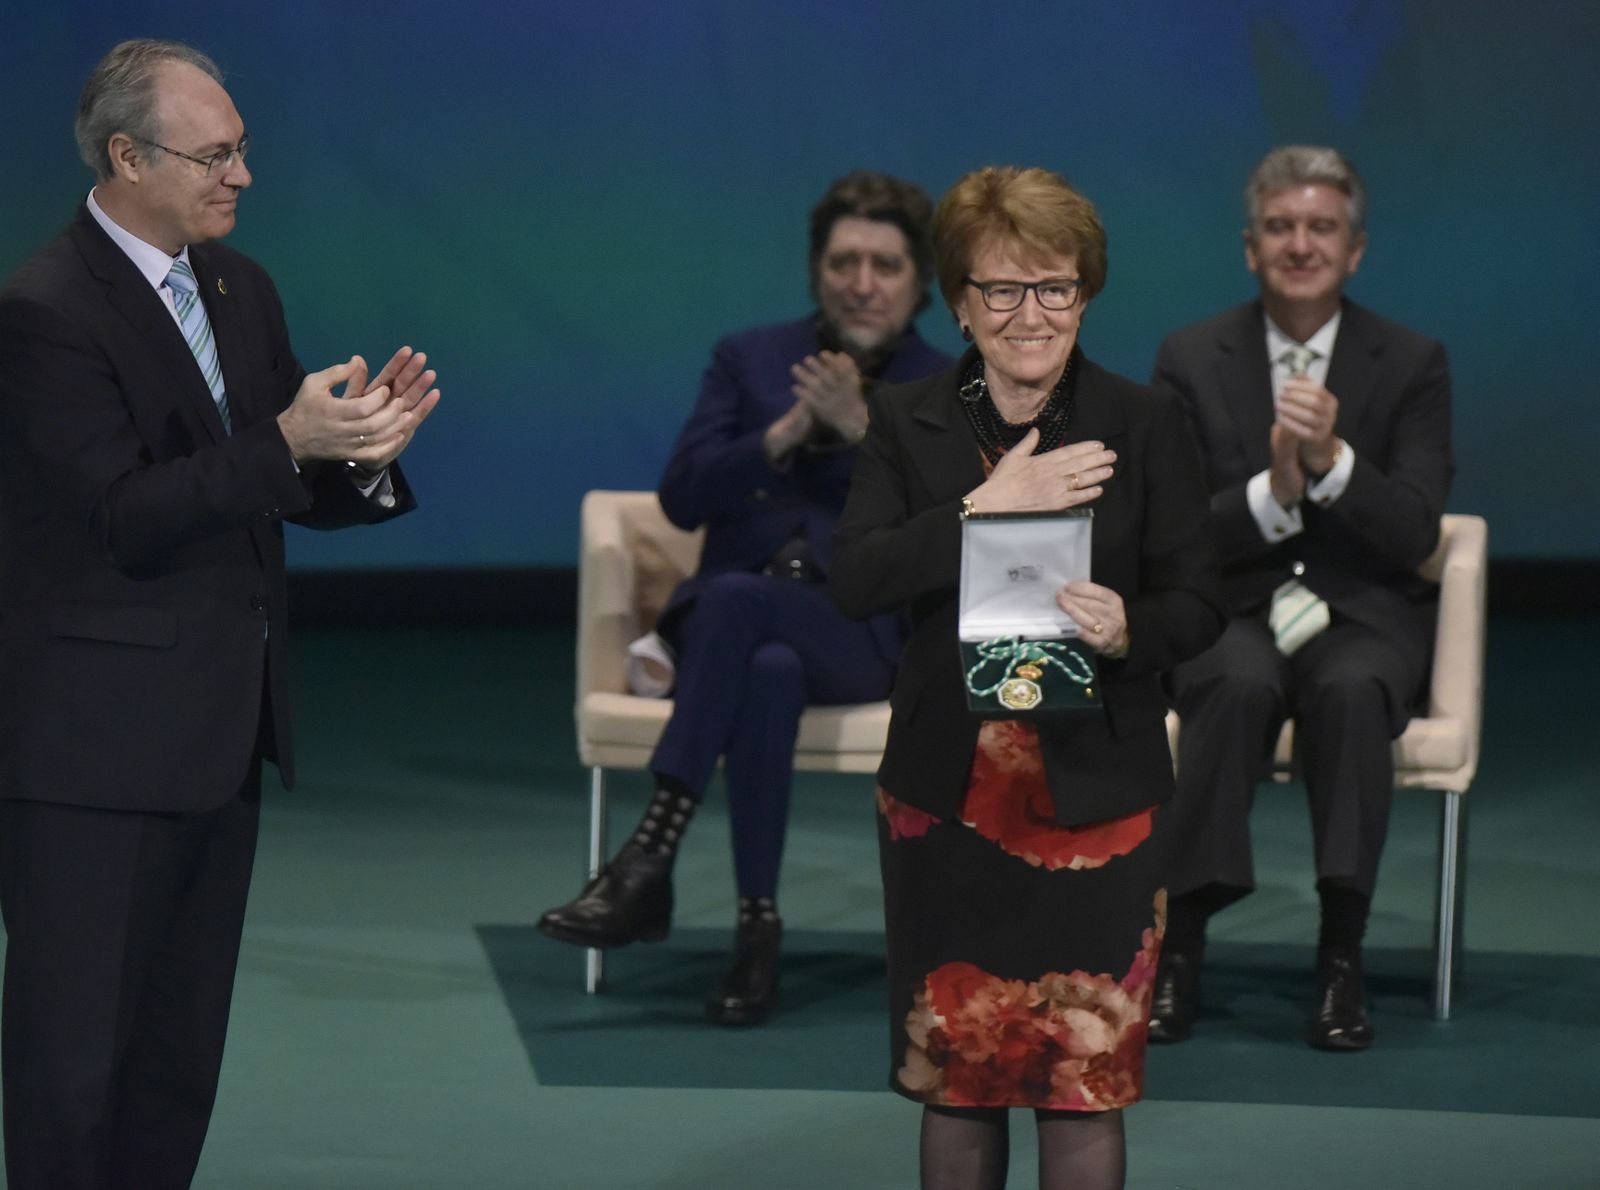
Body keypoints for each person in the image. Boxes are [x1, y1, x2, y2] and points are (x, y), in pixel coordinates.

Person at [0, 39, 440, 1189]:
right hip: (89, 754)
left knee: (175, 1060)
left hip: (215, 734)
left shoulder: (241, 288)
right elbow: (121, 515)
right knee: (73, 1059)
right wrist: (287, 442)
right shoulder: (44, 309)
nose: (241, 173)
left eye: (244, 148)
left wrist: (362, 453)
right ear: (127, 156)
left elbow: (270, 481)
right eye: (216, 153)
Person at [830, 166, 1224, 1190]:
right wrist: (985, 504)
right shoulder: (908, 417)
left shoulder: (1143, 423)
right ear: (959, 303)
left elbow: (1198, 599)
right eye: (999, 289)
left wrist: (1131, 624)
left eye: (1053, 286)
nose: (1029, 313)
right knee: (962, 1070)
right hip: (949, 790)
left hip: (1099, 794)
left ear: (1085, 293)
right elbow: (857, 576)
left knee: (1079, 1074)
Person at [538, 171, 951, 1025]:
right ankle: (756, 931)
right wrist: (784, 434)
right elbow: (683, 497)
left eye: (885, 264)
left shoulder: (943, 383)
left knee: (729, 604)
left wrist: (862, 428)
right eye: (844, 261)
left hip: (858, 633)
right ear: (815, 269)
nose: (862, 282)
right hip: (750, 633)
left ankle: (647, 861)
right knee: (761, 664)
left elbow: (952, 522)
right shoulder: (751, 357)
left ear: (921, 285)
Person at [1148, 145, 1453, 1051]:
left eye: (1322, 227)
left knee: (1354, 690)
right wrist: (1273, 498)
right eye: (1281, 226)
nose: (1300, 243)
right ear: (1250, 247)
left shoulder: (1410, 361)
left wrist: (1331, 465)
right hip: (1235, 607)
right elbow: (1168, 532)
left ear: (1355, 250)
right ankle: (1183, 946)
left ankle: (1341, 953)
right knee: (1230, 683)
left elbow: (1415, 531)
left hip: (1363, 610)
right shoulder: (1191, 356)